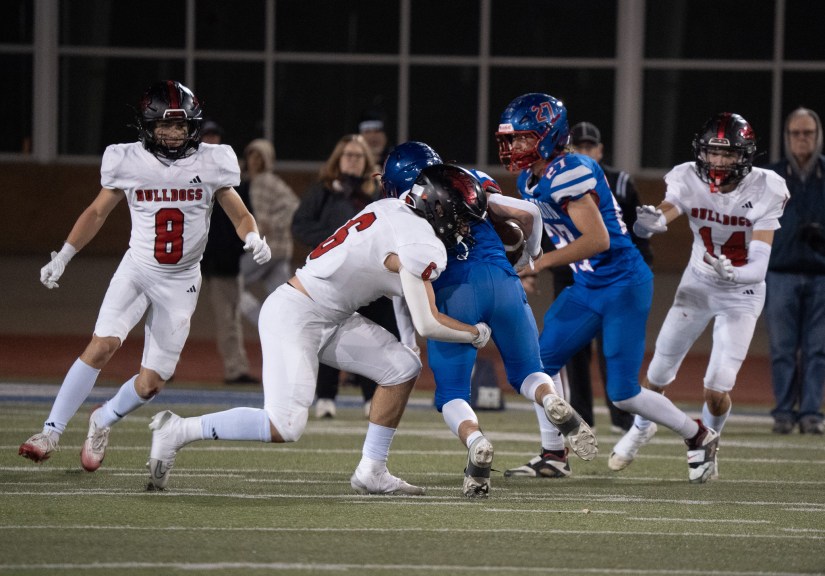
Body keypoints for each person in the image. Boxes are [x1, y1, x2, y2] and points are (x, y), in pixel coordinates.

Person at [146, 164, 494, 494]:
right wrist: (475, 333)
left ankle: (372, 470)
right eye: (462, 218)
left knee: (403, 367)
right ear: (438, 208)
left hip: (332, 315)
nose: (464, 228)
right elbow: (427, 323)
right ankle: (178, 430)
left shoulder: (391, 209)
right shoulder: (421, 242)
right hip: (296, 313)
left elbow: (399, 282)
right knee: (285, 425)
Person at [18, 80, 272, 470]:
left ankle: (103, 418)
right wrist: (65, 254)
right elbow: (97, 212)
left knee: (151, 383)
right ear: (147, 126)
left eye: (180, 125)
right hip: (138, 269)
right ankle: (50, 431)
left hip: (182, 280)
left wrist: (252, 235)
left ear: (192, 126)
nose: (173, 133)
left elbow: (239, 213)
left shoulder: (212, 161)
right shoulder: (128, 160)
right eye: (164, 125)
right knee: (102, 344)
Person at [496, 92, 719, 484]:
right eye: (511, 139)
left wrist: (540, 263)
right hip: (588, 284)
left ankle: (698, 435)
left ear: (548, 136)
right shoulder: (529, 178)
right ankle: (553, 454)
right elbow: (544, 228)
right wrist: (525, 257)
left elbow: (597, 240)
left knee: (624, 393)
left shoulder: (570, 171)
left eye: (523, 138)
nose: (514, 147)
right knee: (538, 365)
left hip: (621, 283)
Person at [381, 143, 597, 497]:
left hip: (453, 293)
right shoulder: (468, 178)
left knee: (452, 393)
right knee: (529, 372)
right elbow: (529, 212)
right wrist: (529, 257)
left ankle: (476, 441)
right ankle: (549, 398)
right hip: (502, 278)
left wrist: (408, 335)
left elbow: (402, 279)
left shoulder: (399, 209)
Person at [615, 112, 789, 475]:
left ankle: (709, 443)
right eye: (713, 152)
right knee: (657, 373)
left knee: (717, 387)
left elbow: (759, 265)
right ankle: (640, 428)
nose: (719, 161)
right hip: (698, 283)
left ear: (745, 156)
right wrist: (649, 224)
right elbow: (667, 211)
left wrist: (735, 273)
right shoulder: (688, 178)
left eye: (728, 154)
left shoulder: (766, 188)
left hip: (743, 292)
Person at [555, 121, 652, 434]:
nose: (584, 152)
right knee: (573, 349)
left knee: (614, 345)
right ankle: (581, 415)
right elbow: (549, 228)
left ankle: (622, 416)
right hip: (574, 275)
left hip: (614, 276)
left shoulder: (619, 182)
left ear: (599, 150)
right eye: (578, 147)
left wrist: (641, 269)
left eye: (589, 147)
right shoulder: (556, 179)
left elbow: (638, 231)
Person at [291, 134, 397, 418]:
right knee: (329, 334)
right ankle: (326, 397)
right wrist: (334, 241)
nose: (352, 160)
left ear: (367, 160)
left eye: (358, 156)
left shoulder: (376, 192)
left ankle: (372, 398)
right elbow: (299, 225)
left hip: (371, 277)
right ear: (338, 159)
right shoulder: (323, 190)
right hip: (333, 277)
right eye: (347, 155)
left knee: (379, 335)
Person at [765, 107, 825, 435]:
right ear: (787, 137)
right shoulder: (771, 177)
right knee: (782, 349)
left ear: (818, 136)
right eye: (796, 133)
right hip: (780, 272)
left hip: (821, 274)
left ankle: (811, 413)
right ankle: (784, 413)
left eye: (808, 133)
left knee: (818, 349)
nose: (802, 139)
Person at [200, 122, 259, 385]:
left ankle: (235, 369)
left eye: (215, 136)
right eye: (206, 136)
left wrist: (235, 252)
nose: (211, 140)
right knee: (172, 314)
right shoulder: (183, 173)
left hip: (222, 261)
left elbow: (243, 218)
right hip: (186, 258)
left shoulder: (234, 179)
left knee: (229, 318)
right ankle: (160, 368)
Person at [237, 138, 300, 325]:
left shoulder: (266, 181)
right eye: (252, 156)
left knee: (232, 283)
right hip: (279, 250)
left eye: (260, 157)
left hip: (269, 247)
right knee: (284, 298)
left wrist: (272, 223)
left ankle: (264, 322)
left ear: (267, 160)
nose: (255, 161)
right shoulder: (252, 182)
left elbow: (294, 206)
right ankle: (286, 330)